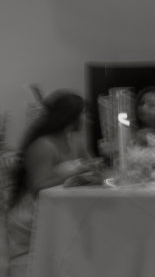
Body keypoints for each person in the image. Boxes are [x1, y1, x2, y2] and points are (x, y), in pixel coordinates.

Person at [8, 91, 101, 254]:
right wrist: (75, 172)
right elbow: (38, 187)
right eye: (85, 113)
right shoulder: (43, 145)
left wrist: (95, 167)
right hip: (35, 213)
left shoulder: (74, 140)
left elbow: (90, 166)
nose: (88, 118)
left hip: (63, 207)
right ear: (72, 116)